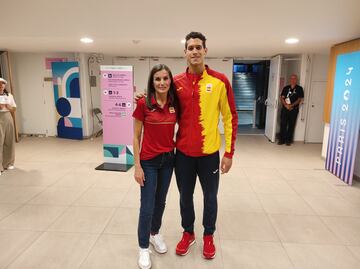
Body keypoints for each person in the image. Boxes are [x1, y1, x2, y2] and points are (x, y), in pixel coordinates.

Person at [136, 32, 238, 259]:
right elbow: (159, 97)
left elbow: (231, 117)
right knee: (185, 197)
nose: (194, 51)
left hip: (210, 154)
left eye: (198, 47)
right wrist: (142, 96)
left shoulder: (220, 81)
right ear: (185, 53)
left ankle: (208, 235)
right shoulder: (177, 83)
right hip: (182, 154)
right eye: (190, 48)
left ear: (205, 51)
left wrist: (229, 153)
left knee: (210, 197)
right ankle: (188, 232)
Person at [132, 64, 178, 269]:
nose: (162, 82)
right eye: (157, 79)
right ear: (152, 82)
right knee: (147, 205)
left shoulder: (174, 102)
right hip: (149, 161)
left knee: (161, 202)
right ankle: (143, 247)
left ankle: (154, 233)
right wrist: (137, 166)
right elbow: (135, 136)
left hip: (168, 160)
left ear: (170, 81)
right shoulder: (143, 103)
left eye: (165, 78)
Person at [278, 74, 304, 146]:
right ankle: (281, 140)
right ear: (290, 80)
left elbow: (300, 99)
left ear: (296, 80)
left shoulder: (299, 88)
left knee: (291, 125)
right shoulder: (286, 88)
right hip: (285, 109)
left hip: (294, 110)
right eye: (292, 78)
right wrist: (286, 105)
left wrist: (291, 105)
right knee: (283, 124)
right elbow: (282, 97)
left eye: (294, 78)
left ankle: (288, 141)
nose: (293, 80)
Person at [0, 78, 16, 175]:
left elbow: (14, 108)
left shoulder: (9, 96)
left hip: (8, 116)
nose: (1, 86)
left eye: (2, 84)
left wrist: (9, 107)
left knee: (9, 140)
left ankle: (8, 163)